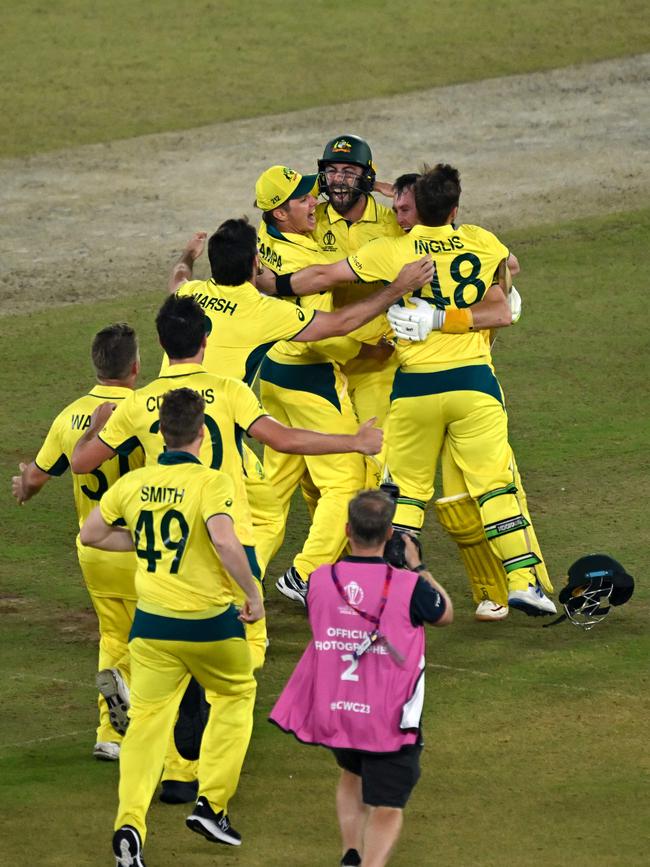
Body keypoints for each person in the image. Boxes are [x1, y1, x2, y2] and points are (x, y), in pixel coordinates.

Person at [165, 216, 432, 579]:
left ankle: (211, 580)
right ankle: (230, 592)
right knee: (249, 517)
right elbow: (339, 324)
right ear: (255, 264)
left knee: (251, 506)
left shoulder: (191, 295)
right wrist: (398, 287)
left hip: (168, 428)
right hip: (216, 437)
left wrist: (188, 254)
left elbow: (177, 279)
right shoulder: (263, 310)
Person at [81, 388, 265, 864]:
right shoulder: (212, 482)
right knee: (235, 695)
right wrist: (252, 592)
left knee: (145, 727)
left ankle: (129, 827)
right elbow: (225, 543)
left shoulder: (134, 484)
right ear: (201, 434)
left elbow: (91, 533)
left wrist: (141, 543)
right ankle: (212, 804)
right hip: (209, 625)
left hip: (151, 629)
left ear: (161, 432)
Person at [388, 173, 551, 620]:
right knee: (492, 491)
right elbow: (507, 285)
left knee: (411, 497)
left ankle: (399, 589)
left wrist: (408, 308)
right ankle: (521, 582)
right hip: (474, 386)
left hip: (414, 388)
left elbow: (331, 276)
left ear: (417, 207)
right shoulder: (480, 241)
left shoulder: (392, 249)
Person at [269, 489, 453, 867]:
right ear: (389, 536)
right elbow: (444, 613)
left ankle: (350, 852)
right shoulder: (409, 586)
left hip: (339, 707)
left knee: (351, 772)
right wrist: (417, 568)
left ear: (347, 529)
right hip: (387, 716)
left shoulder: (320, 580)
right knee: (388, 805)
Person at [254, 165, 395, 604]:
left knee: (271, 496)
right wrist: (367, 348)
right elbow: (327, 329)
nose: (314, 202)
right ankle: (305, 574)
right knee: (348, 481)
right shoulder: (306, 261)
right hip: (310, 378)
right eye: (302, 200)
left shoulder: (266, 241)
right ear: (280, 212)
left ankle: (227, 579)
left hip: (272, 376)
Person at [11, 324, 142, 761]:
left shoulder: (69, 416)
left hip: (93, 549)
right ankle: (153, 726)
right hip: (142, 548)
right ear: (136, 366)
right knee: (160, 641)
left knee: (113, 636)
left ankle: (110, 734)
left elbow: (35, 479)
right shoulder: (146, 411)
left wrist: (23, 485)